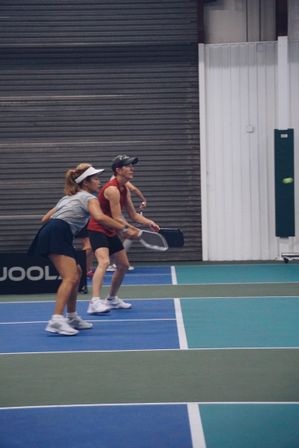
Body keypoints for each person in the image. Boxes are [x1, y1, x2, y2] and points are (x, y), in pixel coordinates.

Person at [28, 164, 138, 336]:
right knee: (70, 277)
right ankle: (56, 320)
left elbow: (45, 218)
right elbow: (100, 217)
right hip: (58, 233)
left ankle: (71, 317)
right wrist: (124, 229)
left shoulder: (68, 198)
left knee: (77, 273)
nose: (98, 181)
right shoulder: (88, 198)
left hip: (55, 231)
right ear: (85, 183)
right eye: (95, 178)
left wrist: (70, 220)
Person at [87, 154, 160, 313]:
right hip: (98, 228)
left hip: (111, 229)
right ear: (118, 170)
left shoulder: (124, 188)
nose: (132, 168)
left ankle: (111, 299)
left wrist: (149, 223)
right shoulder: (112, 189)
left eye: (132, 165)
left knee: (123, 265)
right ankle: (94, 302)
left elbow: (133, 215)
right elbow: (117, 218)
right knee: (104, 262)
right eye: (128, 166)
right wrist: (133, 230)